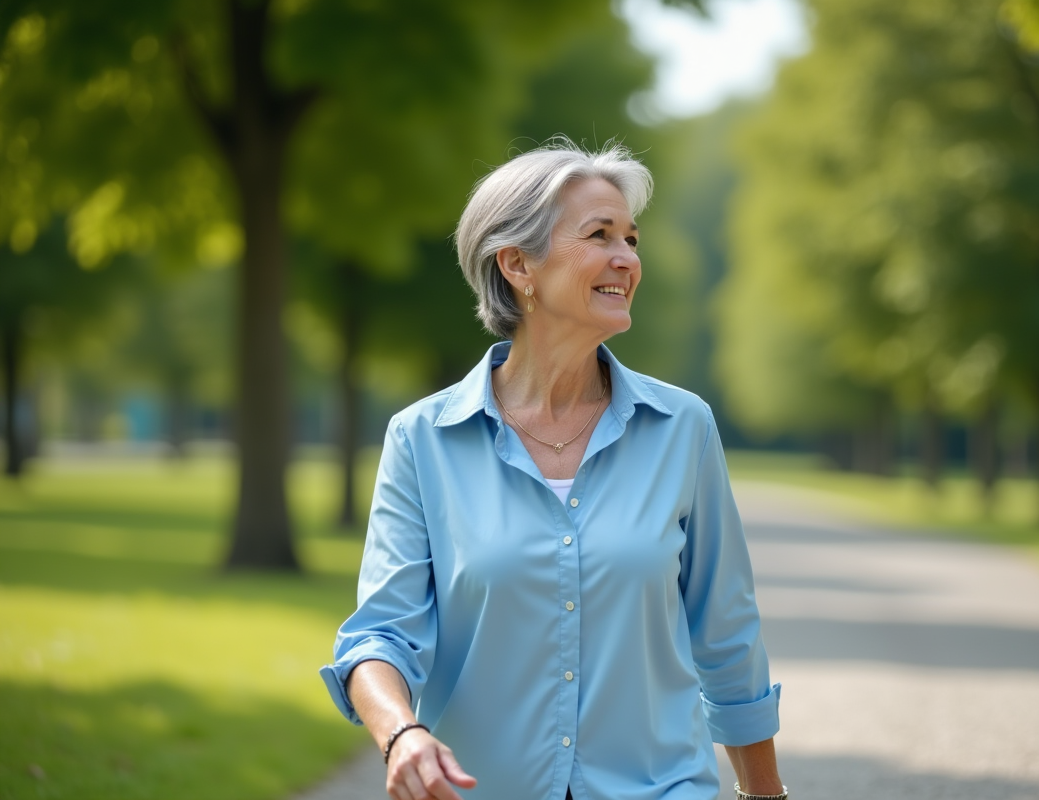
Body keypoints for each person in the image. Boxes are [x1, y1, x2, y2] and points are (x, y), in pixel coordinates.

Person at [320, 140, 785, 800]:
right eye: (600, 235)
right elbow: (380, 633)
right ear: (517, 264)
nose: (627, 258)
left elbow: (726, 631)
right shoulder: (422, 440)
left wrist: (766, 794)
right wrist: (402, 734)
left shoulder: (683, 428)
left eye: (631, 237)